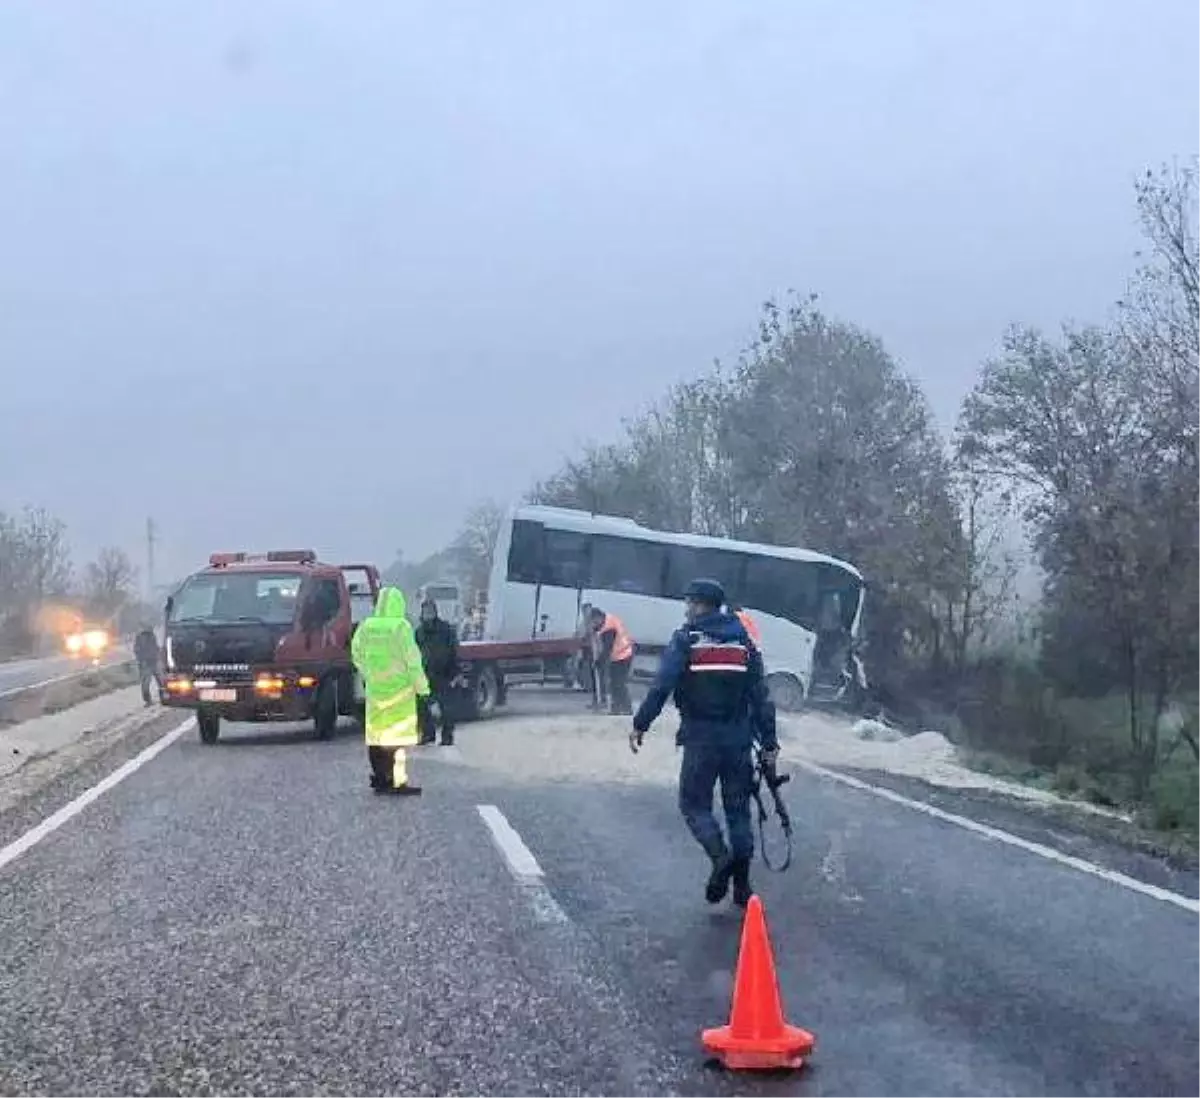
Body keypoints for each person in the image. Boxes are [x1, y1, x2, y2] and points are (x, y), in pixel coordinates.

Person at [629, 578, 778, 907]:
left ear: (699, 605)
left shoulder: (687, 639)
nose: (686, 608)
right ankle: (742, 887)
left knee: (694, 805)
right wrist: (769, 743)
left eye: (690, 603)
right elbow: (762, 697)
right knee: (738, 811)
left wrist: (641, 724)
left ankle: (719, 856)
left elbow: (661, 686)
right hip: (739, 740)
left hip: (701, 739)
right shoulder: (743, 643)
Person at [350, 586, 429, 795]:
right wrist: (423, 688)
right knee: (399, 741)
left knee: (376, 738)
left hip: (376, 693)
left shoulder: (366, 626)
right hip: (401, 694)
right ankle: (398, 782)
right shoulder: (401, 627)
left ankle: (379, 778)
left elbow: (356, 653)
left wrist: (369, 674)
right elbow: (413, 662)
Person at [415, 596, 460, 746]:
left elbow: (454, 650)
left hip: (443, 673)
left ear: (435, 611)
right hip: (424, 674)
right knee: (422, 706)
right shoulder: (419, 632)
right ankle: (428, 734)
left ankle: (447, 736)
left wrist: (455, 671)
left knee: (446, 708)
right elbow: (414, 652)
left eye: (430, 610)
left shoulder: (445, 629)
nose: (428, 613)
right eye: (425, 611)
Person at [589, 605, 634, 715]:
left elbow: (607, 648)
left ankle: (627, 708)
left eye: (594, 622)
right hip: (619, 655)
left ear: (598, 617)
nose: (594, 624)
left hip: (623, 655)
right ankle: (616, 708)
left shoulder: (609, 628)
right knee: (614, 683)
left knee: (619, 683)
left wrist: (598, 662)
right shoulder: (608, 620)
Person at [133, 625, 160, 707]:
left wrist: (140, 660)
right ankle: (163, 696)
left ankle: (148, 700)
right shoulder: (151, 636)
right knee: (159, 680)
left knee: (146, 683)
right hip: (150, 661)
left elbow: (136, 650)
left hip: (147, 662)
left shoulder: (142, 637)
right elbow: (155, 648)